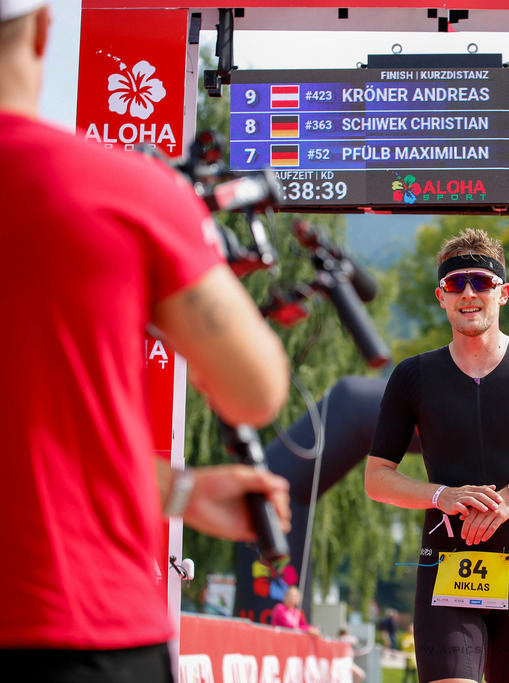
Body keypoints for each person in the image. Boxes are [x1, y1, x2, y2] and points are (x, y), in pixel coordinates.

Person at [0, 2, 292, 680]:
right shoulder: (129, 192)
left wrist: (178, 491)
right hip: (82, 628)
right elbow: (255, 388)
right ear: (44, 29)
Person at [365, 228, 509, 683]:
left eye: (481, 282)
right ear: (441, 296)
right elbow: (378, 478)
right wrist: (441, 496)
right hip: (447, 566)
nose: (468, 293)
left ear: (503, 292)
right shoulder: (412, 376)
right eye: (456, 283)